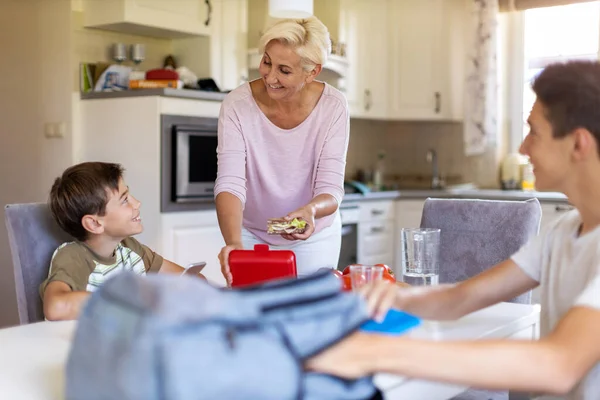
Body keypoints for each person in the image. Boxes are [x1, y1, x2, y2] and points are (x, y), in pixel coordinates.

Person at [307, 61, 600, 400]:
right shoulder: (565, 231)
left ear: (579, 144)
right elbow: (461, 298)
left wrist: (376, 352)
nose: (522, 148)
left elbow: (558, 366)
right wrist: (398, 296)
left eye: (533, 131)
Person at [214, 16, 350, 285]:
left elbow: (331, 187)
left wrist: (310, 210)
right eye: (267, 62)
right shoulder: (237, 104)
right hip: (252, 235)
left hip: (314, 238)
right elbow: (230, 181)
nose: (270, 76)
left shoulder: (333, 106)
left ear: (312, 72)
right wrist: (233, 243)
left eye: (284, 70)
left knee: (308, 314)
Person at [41, 162, 205, 321]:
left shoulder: (131, 249)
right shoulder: (73, 256)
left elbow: (194, 279)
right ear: (94, 223)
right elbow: (56, 307)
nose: (137, 203)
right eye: (125, 199)